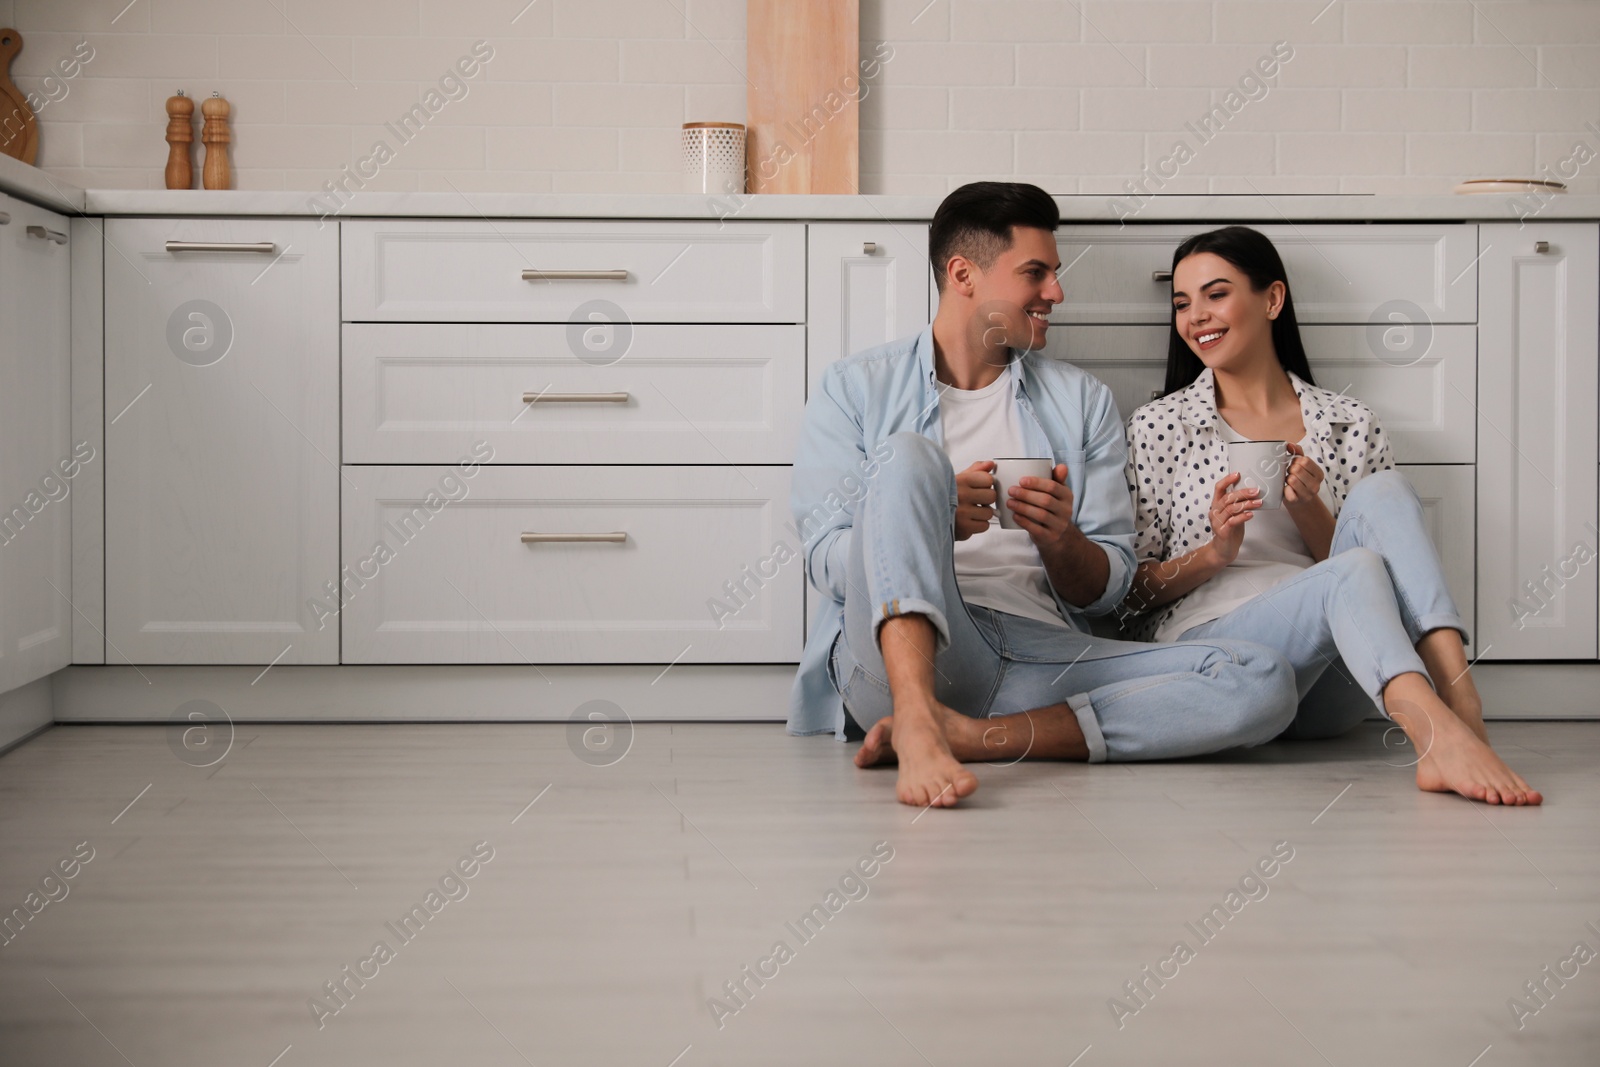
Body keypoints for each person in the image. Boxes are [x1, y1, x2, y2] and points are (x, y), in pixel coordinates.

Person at [786, 182, 1301, 809]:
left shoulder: (1081, 402)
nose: (1056, 292)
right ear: (963, 274)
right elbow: (825, 562)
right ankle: (918, 715)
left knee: (1263, 678)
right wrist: (929, 521)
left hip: (1043, 655)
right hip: (899, 657)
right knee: (907, 459)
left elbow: (1109, 587)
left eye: (1054, 274)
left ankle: (977, 736)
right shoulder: (854, 387)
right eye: (1037, 273)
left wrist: (1063, 540)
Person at [1121, 225, 1542, 806]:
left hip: (1336, 680)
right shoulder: (1159, 426)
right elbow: (1128, 600)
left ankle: (1460, 700)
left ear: (1272, 299)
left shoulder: (1351, 424)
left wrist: (1310, 511)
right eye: (1182, 303)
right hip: (1222, 661)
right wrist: (1215, 552)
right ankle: (1442, 733)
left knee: (1385, 494)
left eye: (1216, 294)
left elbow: (1375, 581)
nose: (1196, 316)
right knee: (1353, 569)